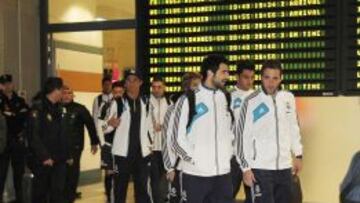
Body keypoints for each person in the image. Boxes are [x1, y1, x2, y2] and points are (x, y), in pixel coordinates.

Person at [236, 60, 303, 203]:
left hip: (285, 167)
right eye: (267, 77)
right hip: (259, 169)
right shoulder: (249, 101)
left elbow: (293, 127)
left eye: (275, 78)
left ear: (281, 79)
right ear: (261, 77)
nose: (271, 82)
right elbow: (241, 136)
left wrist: (298, 154)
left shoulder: (288, 98)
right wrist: (245, 168)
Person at [171, 54, 234, 203]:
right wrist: (194, 160)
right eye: (224, 72)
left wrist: (228, 154)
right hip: (195, 176)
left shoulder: (225, 97)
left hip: (223, 176)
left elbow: (230, 131)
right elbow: (176, 139)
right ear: (210, 73)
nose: (227, 76)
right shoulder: (188, 99)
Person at [104, 70, 152, 203]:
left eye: (134, 80)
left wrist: (150, 144)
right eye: (128, 80)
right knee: (119, 190)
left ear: (140, 82)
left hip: (142, 154)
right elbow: (103, 127)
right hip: (122, 155)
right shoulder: (117, 103)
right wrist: (110, 124)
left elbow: (150, 127)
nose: (131, 83)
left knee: (143, 191)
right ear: (125, 84)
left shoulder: (146, 102)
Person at [27, 77, 71, 203]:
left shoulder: (60, 109)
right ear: (55, 90)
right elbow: (33, 136)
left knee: (57, 194)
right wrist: (45, 156)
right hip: (44, 161)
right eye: (62, 90)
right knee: (41, 194)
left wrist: (67, 155)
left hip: (59, 159)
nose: (63, 93)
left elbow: (63, 134)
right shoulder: (38, 109)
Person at [161, 72, 202, 203]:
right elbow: (166, 140)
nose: (199, 89)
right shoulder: (173, 109)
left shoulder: (202, 108)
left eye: (200, 85)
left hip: (199, 168)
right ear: (186, 88)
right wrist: (170, 168)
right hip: (179, 167)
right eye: (195, 85)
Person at [62, 86, 100, 203]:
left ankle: (70, 197)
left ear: (73, 95)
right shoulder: (55, 108)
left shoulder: (80, 109)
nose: (67, 95)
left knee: (72, 174)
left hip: (75, 147)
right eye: (64, 93)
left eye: (69, 93)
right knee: (60, 175)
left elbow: (90, 125)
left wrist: (94, 142)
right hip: (58, 148)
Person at [0, 74, 29, 203]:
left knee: (19, 174)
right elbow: (6, 119)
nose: (8, 85)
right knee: (1, 174)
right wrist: (16, 115)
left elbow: (26, 115)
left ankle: (20, 199)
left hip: (18, 141)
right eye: (4, 83)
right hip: (3, 142)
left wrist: (11, 115)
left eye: (9, 83)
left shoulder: (20, 100)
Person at [230, 60, 255, 201]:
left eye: (252, 77)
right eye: (246, 77)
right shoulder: (227, 97)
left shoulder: (258, 97)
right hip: (232, 157)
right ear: (237, 77)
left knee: (254, 198)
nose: (249, 81)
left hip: (252, 157)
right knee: (226, 197)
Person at [98, 80, 125, 203]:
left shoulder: (127, 106)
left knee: (119, 175)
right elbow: (100, 126)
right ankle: (109, 199)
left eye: (120, 92)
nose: (118, 94)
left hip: (122, 146)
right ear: (112, 92)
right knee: (109, 174)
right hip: (108, 145)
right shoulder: (105, 106)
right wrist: (109, 125)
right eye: (115, 92)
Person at [149, 76, 171, 203]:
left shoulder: (170, 102)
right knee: (154, 178)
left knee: (166, 177)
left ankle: (165, 199)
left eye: (159, 87)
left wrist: (164, 125)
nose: (156, 90)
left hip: (166, 148)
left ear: (164, 87)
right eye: (154, 87)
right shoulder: (146, 102)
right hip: (151, 148)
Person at [92, 77, 113, 145]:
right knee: (105, 153)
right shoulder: (97, 99)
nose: (107, 86)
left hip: (114, 131)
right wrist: (97, 133)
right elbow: (95, 116)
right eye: (105, 84)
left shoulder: (116, 98)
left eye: (109, 84)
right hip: (102, 131)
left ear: (111, 85)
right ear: (102, 86)